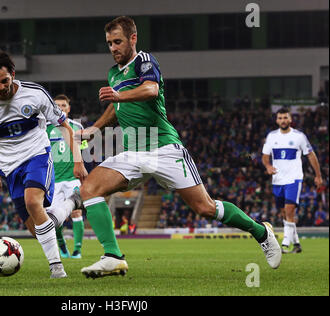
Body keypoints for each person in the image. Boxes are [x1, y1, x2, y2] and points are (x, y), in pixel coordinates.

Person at [53, 16, 281, 279]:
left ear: (132, 39)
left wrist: (118, 95)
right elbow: (116, 108)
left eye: (118, 42)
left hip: (164, 148)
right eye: (109, 43)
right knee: (90, 188)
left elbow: (150, 90)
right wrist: (94, 129)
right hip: (132, 151)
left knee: (205, 208)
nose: (113, 48)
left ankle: (261, 232)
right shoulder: (113, 73)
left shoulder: (145, 61)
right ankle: (113, 256)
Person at [0, 49, 88, 278]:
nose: (1, 87)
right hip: (9, 167)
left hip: (37, 155)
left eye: (5, 81)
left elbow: (65, 126)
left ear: (13, 74)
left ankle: (57, 268)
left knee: (33, 202)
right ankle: (71, 203)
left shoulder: (35, 94)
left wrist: (77, 161)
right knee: (38, 229)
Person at [262, 107, 323, 254]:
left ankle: (285, 244)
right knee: (284, 213)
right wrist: (268, 166)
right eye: (280, 118)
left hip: (294, 179)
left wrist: (318, 175)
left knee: (289, 210)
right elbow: (265, 155)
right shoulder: (271, 136)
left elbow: (311, 155)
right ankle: (296, 244)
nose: (283, 120)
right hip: (277, 180)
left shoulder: (299, 136)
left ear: (290, 119)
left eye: (285, 118)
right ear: (277, 120)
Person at [46, 94, 86, 259]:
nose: (60, 108)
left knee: (76, 212)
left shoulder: (77, 127)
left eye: (63, 105)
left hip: (72, 178)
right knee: (53, 217)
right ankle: (62, 246)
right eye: (57, 106)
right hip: (54, 180)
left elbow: (83, 151)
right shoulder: (46, 128)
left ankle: (77, 250)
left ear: (68, 108)